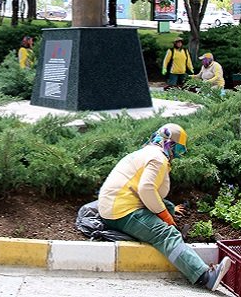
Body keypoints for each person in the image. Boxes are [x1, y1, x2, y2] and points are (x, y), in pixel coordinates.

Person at [97, 123, 232, 291]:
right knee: (167, 234)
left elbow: (150, 191)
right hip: (121, 212)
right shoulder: (158, 159)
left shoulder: (145, 152)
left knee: (166, 205)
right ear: (172, 145)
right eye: (180, 150)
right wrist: (166, 217)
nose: (178, 156)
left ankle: (174, 233)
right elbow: (146, 189)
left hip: (114, 205)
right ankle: (205, 276)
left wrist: (168, 210)